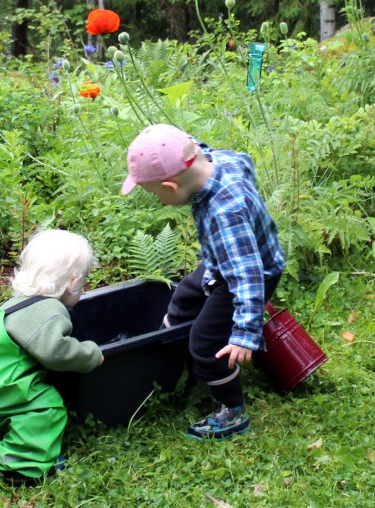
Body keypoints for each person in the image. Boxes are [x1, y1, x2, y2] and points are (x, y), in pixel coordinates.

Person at [121, 124, 285, 440]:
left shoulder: (225, 213)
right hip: (224, 263)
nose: (158, 200)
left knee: (207, 342)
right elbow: (239, 158)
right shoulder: (219, 161)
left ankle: (231, 410)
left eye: (155, 195)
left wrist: (245, 333)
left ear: (170, 187)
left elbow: (247, 278)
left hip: (249, 275)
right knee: (184, 294)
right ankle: (175, 358)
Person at [0, 229, 104, 485]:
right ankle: (21, 466)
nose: (82, 290)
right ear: (74, 283)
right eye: (83, 284)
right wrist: (91, 354)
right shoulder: (48, 310)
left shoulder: (15, 304)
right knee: (45, 405)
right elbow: (56, 353)